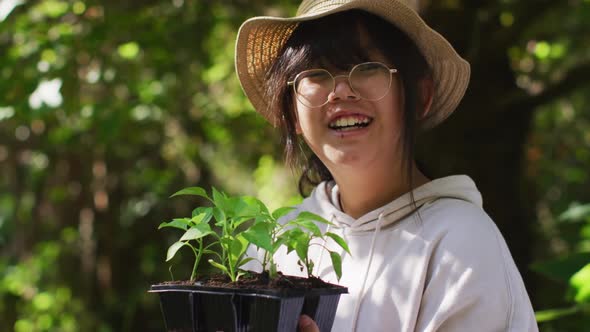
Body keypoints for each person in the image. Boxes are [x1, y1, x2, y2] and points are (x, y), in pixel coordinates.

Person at [235, 0, 539, 331]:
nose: (339, 91)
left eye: (365, 66)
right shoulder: (278, 242)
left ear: (419, 96)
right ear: (292, 112)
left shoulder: (461, 242)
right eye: (315, 72)